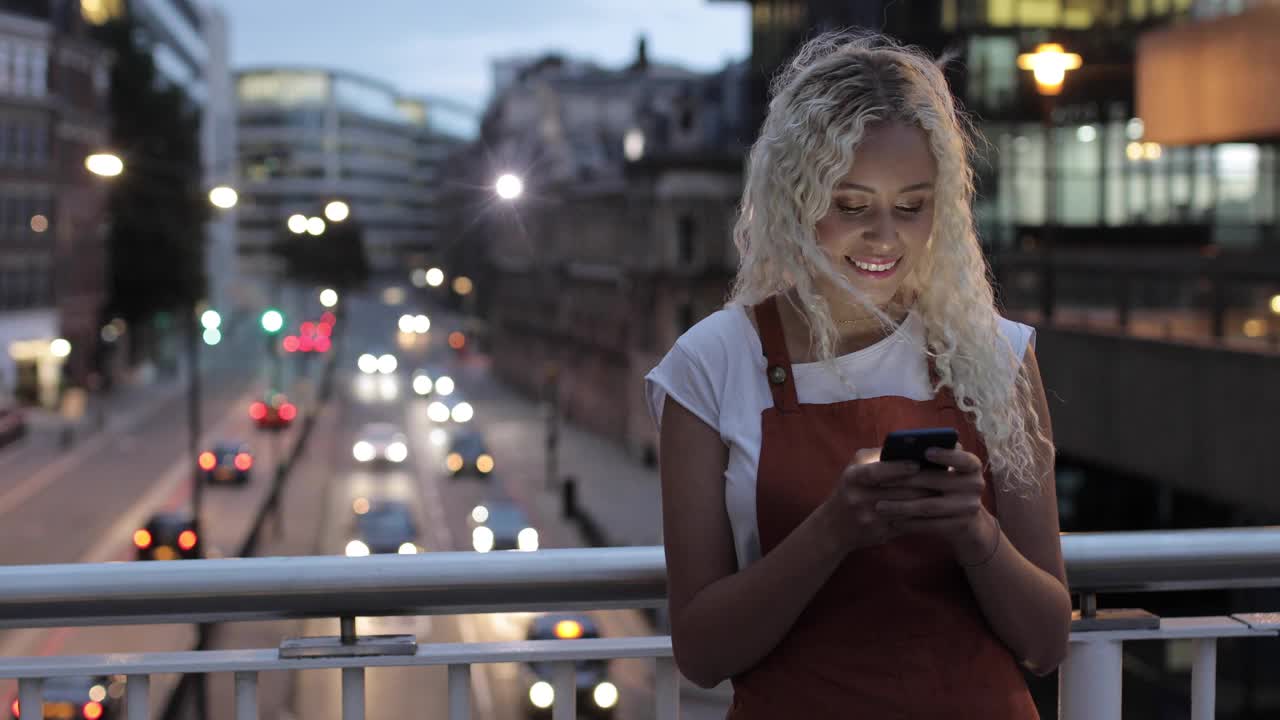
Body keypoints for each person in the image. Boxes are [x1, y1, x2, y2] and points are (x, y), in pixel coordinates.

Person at [644, 31, 1071, 718]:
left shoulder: (997, 356)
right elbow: (700, 651)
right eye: (850, 205)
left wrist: (972, 530)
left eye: (912, 206)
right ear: (793, 197)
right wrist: (835, 528)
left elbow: (1048, 641)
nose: (884, 236)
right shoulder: (711, 365)